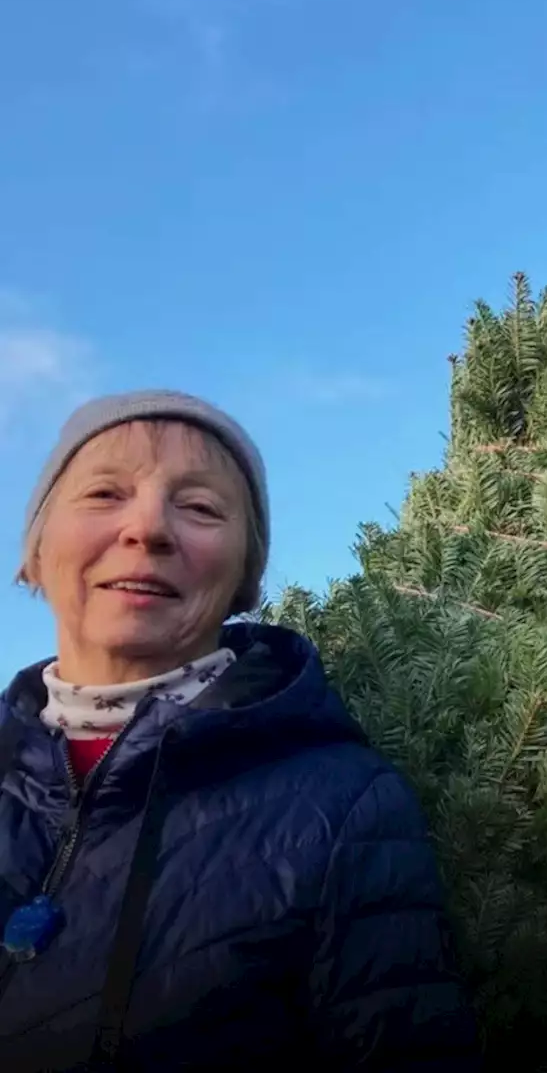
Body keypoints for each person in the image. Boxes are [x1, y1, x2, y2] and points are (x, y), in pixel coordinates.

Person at [0, 390, 482, 1071]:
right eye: (105, 494)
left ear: (246, 576)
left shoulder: (343, 807)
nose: (148, 529)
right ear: (35, 552)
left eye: (199, 507)